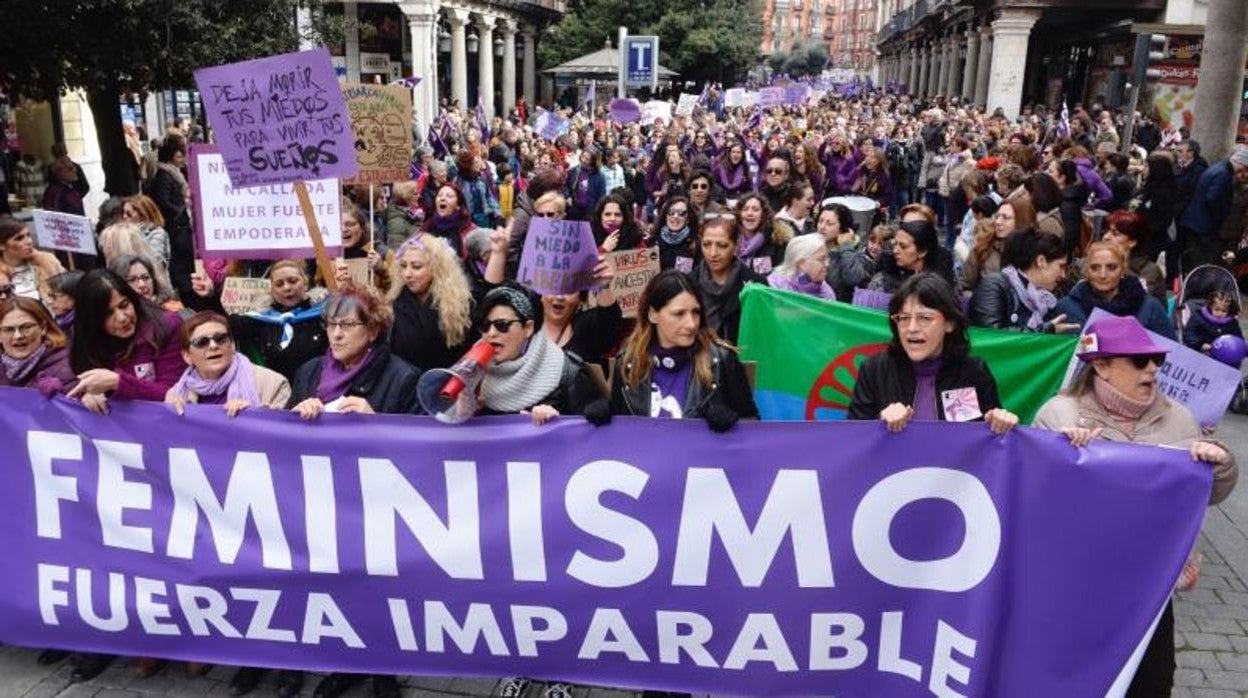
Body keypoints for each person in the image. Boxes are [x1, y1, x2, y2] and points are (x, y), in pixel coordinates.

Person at [1033, 314, 1237, 697]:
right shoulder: (1059, 415)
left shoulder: (1180, 418)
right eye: (1139, 361)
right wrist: (1061, 457)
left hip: (1151, 590)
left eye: (1157, 360)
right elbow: (1040, 499)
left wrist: (1221, 463)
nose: (1152, 370)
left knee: (1151, 685)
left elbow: (1207, 494)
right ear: (1102, 367)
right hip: (1079, 590)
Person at [585, 269, 758, 428]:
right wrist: (607, 416)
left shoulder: (721, 360)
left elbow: (754, 429)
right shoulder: (629, 362)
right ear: (653, 315)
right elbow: (621, 436)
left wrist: (733, 425)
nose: (691, 324)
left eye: (696, 312)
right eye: (679, 314)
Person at [848, 272, 1018, 431]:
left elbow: (987, 445)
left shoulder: (973, 372)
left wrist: (999, 423)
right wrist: (879, 422)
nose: (912, 328)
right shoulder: (874, 370)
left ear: (949, 323)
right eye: (904, 318)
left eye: (925, 318)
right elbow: (852, 440)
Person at [289, 283, 423, 419]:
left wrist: (376, 421)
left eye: (347, 325)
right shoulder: (308, 372)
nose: (336, 334)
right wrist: (294, 416)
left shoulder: (404, 379)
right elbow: (284, 434)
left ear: (373, 331)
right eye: (331, 324)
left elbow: (414, 436)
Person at [67, 268, 186, 415]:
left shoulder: (167, 326)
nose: (122, 318)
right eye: (108, 313)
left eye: (124, 305)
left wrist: (117, 382)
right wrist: (88, 394)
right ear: (92, 321)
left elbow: (173, 394)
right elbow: (75, 386)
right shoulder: (85, 341)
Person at [474, 284, 599, 422]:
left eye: (502, 325)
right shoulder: (472, 373)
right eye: (485, 326)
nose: (491, 333)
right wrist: (465, 412)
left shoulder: (568, 373)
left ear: (528, 328)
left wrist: (558, 421)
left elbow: (593, 434)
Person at [190, 260, 327, 383]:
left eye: (293, 281)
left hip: (317, 392)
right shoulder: (263, 320)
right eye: (279, 284)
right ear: (272, 290)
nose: (287, 288)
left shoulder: (324, 314)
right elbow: (226, 326)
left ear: (305, 283)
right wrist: (210, 297)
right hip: (277, 395)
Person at [165, 311, 291, 414]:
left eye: (221, 339)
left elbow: (283, 437)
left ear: (232, 345)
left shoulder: (273, 384)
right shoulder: (174, 397)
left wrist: (255, 415)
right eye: (201, 342)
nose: (213, 346)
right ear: (187, 356)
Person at [389, 234, 476, 371]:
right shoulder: (393, 304)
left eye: (416, 267)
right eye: (403, 266)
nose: (407, 274)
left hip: (448, 385)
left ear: (437, 268)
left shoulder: (460, 304)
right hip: (406, 385)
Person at [1054, 241, 1175, 339]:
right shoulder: (1066, 308)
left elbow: (1172, 354)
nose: (1102, 275)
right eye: (1095, 267)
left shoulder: (1149, 307)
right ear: (1086, 271)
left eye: (1111, 267)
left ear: (1123, 270)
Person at [970, 229, 1078, 332]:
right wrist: (1044, 331)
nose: (1063, 275)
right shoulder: (994, 287)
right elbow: (991, 338)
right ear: (1041, 261)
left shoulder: (1047, 300)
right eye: (1061, 266)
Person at [693, 210, 766, 344]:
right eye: (706, 245)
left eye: (722, 245)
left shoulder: (757, 285)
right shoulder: (688, 284)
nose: (713, 253)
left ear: (736, 246)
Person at [1177, 144, 1248, 268]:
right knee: (1203, 264)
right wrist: (1220, 217)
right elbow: (1213, 199)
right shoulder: (1224, 174)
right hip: (1206, 228)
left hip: (1200, 225)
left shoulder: (1218, 169)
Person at [868, 204, 954, 293]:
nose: (908, 230)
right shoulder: (885, 267)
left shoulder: (943, 265)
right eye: (904, 224)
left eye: (917, 225)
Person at [0, 296, 76, 393]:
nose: (18, 336)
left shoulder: (68, 367)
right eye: (8, 330)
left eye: (26, 327)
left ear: (43, 328)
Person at [1102, 210, 1165, 302]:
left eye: (1115, 234)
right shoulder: (1084, 265)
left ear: (1132, 242)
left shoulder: (1149, 271)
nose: (1106, 237)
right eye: (1106, 231)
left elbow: (1142, 307)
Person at [0, 216, 66, 304]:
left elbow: (68, 294)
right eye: (19, 238)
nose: (29, 241)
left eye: (28, 235)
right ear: (2, 245)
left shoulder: (47, 262)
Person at [768, 233, 837, 300]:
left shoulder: (827, 292)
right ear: (801, 263)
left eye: (826, 258)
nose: (827, 264)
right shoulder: (774, 288)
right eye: (821, 259)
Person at [420, 182, 478, 260]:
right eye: (439, 195)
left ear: (458, 205)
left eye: (449, 196)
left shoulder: (470, 230)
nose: (442, 198)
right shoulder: (426, 228)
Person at [110, 254, 182, 313]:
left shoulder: (172, 310)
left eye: (146, 277)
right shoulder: (120, 318)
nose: (142, 285)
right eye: (132, 280)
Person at [1182, 289, 1244, 354]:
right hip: (1200, 350)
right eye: (1217, 310)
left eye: (1224, 311)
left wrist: (1239, 348)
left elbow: (1238, 338)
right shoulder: (1199, 317)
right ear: (1210, 307)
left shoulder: (1232, 323)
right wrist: (1199, 344)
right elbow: (1189, 334)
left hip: (1223, 352)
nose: (1220, 313)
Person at [122, 194, 171, 272]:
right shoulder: (126, 233)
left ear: (143, 215)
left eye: (129, 214)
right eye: (123, 213)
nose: (124, 216)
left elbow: (155, 261)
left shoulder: (157, 233)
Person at [735, 193, 781, 275]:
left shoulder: (776, 241)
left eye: (755, 210)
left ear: (763, 215)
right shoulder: (731, 238)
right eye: (745, 209)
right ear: (739, 214)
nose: (750, 213)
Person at [651, 196, 697, 271]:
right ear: (665, 216)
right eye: (671, 212)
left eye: (681, 213)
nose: (675, 216)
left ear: (688, 219)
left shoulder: (694, 243)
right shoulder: (654, 240)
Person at [564, 148, 606, 220]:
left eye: (587, 159)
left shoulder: (599, 176)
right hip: (574, 209)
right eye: (583, 157)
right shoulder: (574, 171)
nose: (583, 160)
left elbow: (601, 196)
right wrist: (567, 197)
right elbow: (565, 186)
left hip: (590, 212)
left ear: (593, 161)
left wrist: (596, 211)